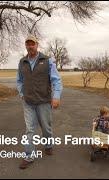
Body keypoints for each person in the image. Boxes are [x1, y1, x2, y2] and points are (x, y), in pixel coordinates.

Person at [16, 35, 63, 169]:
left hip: (43, 101)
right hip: (28, 102)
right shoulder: (22, 62)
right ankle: (29, 155)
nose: (30, 46)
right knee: (30, 129)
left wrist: (56, 96)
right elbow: (19, 80)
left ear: (37, 45)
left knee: (46, 127)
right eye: (28, 44)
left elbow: (56, 80)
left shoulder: (47, 61)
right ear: (26, 46)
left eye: (33, 44)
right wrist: (21, 93)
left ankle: (48, 145)